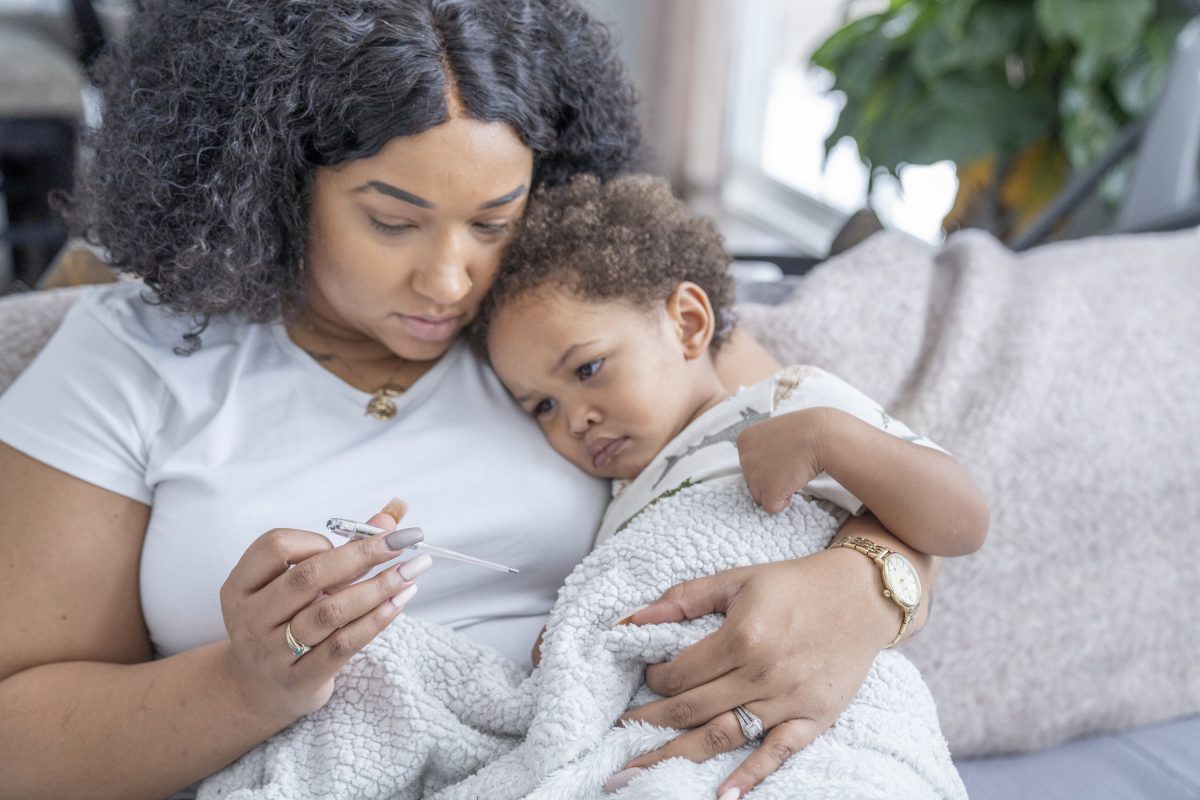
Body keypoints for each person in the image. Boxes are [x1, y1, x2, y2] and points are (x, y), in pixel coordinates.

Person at [0, 3, 973, 799]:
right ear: (269, 181)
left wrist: (865, 591)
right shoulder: (131, 357)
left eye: (493, 221)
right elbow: (18, 738)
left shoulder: (568, 309)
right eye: (392, 220)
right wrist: (250, 683)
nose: (451, 280)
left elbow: (805, 463)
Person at [473, 173, 989, 795]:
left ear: (688, 323)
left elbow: (963, 521)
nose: (574, 418)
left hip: (825, 704)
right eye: (542, 408)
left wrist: (830, 438)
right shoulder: (614, 501)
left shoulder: (789, 402)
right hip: (676, 732)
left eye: (587, 369)